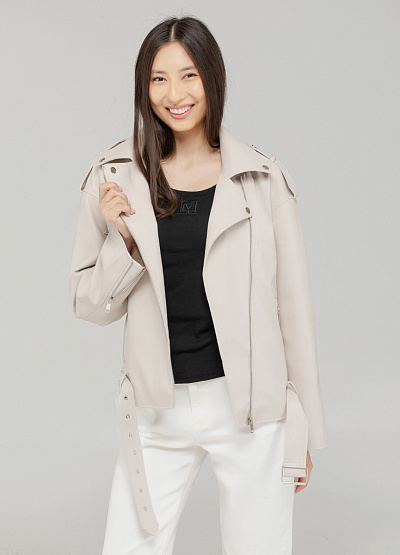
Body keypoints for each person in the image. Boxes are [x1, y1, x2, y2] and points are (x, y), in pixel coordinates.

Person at [69, 15, 329, 555]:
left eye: (189, 75)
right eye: (159, 79)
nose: (175, 94)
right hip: (156, 409)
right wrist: (124, 240)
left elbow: (295, 311)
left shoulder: (262, 179)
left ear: (212, 77)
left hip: (253, 411)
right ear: (144, 87)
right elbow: (88, 304)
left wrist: (306, 431)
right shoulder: (114, 176)